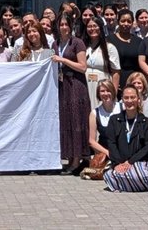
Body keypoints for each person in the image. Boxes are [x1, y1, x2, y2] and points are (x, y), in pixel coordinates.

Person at [50, 14, 90, 173]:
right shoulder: (55, 43)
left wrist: (63, 60)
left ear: (71, 26)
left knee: (76, 120)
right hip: (62, 85)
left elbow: (83, 67)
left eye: (66, 24)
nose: (64, 27)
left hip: (76, 84)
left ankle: (76, 160)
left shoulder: (77, 43)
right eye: (61, 24)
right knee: (65, 121)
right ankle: (68, 157)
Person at [82, 79, 122, 180]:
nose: (105, 93)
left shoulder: (122, 108)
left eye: (108, 90)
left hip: (122, 150)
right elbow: (91, 141)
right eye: (102, 91)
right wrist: (108, 152)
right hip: (105, 151)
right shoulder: (94, 113)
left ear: (113, 92)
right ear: (98, 94)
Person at [81, 16, 119, 103]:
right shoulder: (83, 46)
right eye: (89, 26)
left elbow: (116, 72)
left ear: (101, 28)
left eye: (95, 26)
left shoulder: (109, 47)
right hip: (85, 84)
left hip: (103, 86)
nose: (92, 29)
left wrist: (114, 92)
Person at [110, 9, 146, 91]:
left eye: (129, 21)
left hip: (135, 82)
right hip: (117, 81)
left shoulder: (139, 41)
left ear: (132, 23)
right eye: (123, 21)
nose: (126, 24)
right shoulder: (110, 40)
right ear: (118, 22)